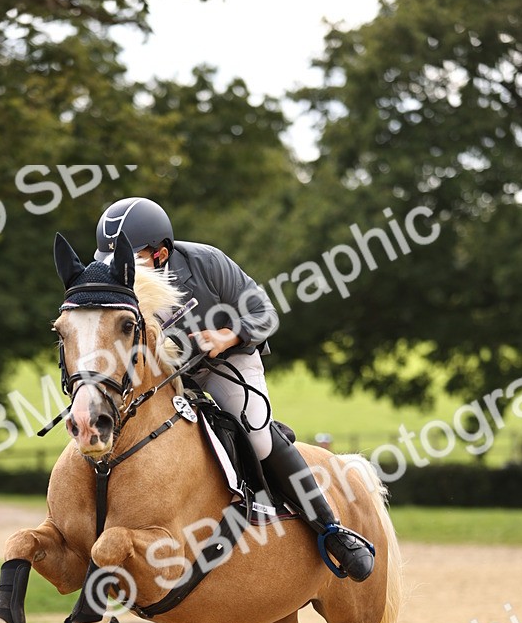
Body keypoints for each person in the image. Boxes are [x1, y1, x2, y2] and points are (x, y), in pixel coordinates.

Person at [93, 197, 374, 581]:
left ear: (161, 253)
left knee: (257, 436)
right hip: (167, 377)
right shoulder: (115, 283)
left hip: (225, 363)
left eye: (132, 257)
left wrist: (228, 335)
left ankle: (331, 530)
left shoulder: (206, 263)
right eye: (111, 259)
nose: (120, 268)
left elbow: (264, 313)